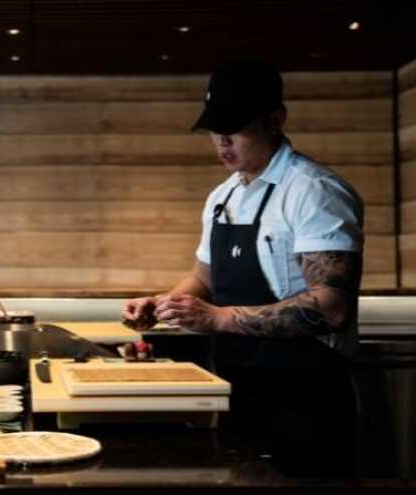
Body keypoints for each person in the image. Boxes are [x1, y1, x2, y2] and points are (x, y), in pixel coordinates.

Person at [122, 61, 362, 474]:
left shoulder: (313, 192)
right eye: (215, 130)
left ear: (275, 120)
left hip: (306, 397)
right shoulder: (222, 196)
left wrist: (219, 318)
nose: (222, 142)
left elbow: (331, 306)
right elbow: (203, 278)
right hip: (240, 391)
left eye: (234, 127)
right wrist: (164, 305)